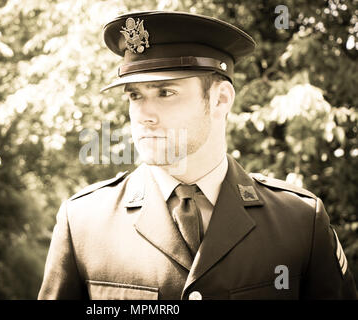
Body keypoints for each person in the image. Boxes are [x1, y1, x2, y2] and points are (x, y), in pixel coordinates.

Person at [38, 11, 357, 300]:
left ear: (220, 99)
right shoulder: (84, 223)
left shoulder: (299, 221)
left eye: (166, 93)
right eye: (135, 96)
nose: (144, 115)